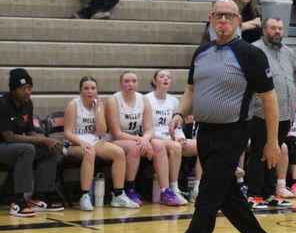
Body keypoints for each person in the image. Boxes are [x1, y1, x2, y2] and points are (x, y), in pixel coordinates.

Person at [150, 0, 282, 233]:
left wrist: (271, 142)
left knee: (207, 199)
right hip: (204, 133)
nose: (224, 20)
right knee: (227, 197)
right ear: (211, 18)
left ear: (238, 21)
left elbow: (269, 99)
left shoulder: (250, 55)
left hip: (233, 134)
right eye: (219, 15)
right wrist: (178, 113)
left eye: (230, 16)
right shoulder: (201, 52)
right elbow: (190, 90)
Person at [247, 17, 296, 212]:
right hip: (261, 111)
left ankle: (269, 193)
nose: (277, 32)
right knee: (260, 152)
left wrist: (290, 93)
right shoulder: (255, 50)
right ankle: (253, 194)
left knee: (275, 152)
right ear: (264, 30)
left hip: (285, 112)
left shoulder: (289, 52)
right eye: (273, 28)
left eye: (280, 28)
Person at [105, 71, 181, 206]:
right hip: (114, 140)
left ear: (137, 84)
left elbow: (149, 129)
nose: (130, 84)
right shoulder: (114, 100)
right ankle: (129, 188)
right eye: (127, 81)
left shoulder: (143, 99)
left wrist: (145, 139)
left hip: (136, 139)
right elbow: (117, 133)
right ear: (120, 84)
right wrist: (141, 140)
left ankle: (165, 191)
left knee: (158, 144)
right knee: (134, 147)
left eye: (134, 81)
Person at [63, 76, 139, 210]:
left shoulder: (99, 105)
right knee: (89, 152)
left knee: (118, 152)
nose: (90, 91)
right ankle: (85, 197)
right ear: (80, 91)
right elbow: (67, 132)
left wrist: (98, 111)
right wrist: (81, 142)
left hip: (93, 140)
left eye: (93, 88)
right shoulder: (73, 105)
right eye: (86, 88)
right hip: (73, 142)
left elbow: (102, 132)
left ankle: (118, 195)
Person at [0, 68, 64, 217]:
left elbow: (30, 133)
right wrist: (43, 139)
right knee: (27, 149)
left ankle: (38, 198)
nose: (27, 92)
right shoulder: (2, 104)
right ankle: (18, 201)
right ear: (13, 90)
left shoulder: (27, 104)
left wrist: (48, 142)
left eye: (29, 88)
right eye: (22, 88)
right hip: (3, 146)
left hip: (14, 148)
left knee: (50, 149)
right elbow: (9, 137)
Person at [147, 69, 204, 205]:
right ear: (154, 81)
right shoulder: (147, 99)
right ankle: (174, 188)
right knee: (175, 146)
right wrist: (173, 140)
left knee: (202, 145)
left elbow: (177, 124)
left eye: (168, 77)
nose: (166, 79)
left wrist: (180, 136)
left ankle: (197, 188)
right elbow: (147, 127)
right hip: (155, 139)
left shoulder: (173, 101)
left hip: (171, 138)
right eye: (162, 77)